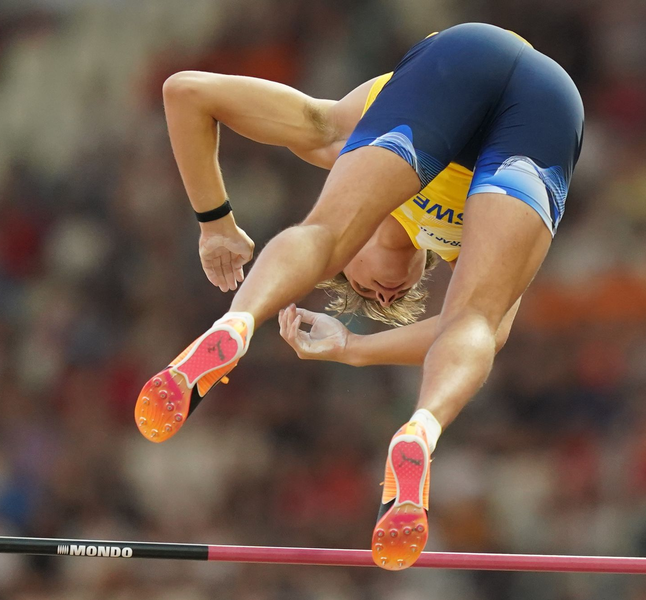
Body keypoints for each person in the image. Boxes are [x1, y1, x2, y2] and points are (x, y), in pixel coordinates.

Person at [135, 23, 584, 570]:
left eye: (364, 287)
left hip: (462, 58)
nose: (385, 295)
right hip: (549, 107)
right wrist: (353, 348)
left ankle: (237, 323)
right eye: (388, 299)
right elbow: (479, 333)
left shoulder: (338, 133)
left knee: (325, 234)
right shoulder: (461, 246)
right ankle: (422, 429)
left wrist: (215, 222)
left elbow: (186, 91)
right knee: (475, 319)